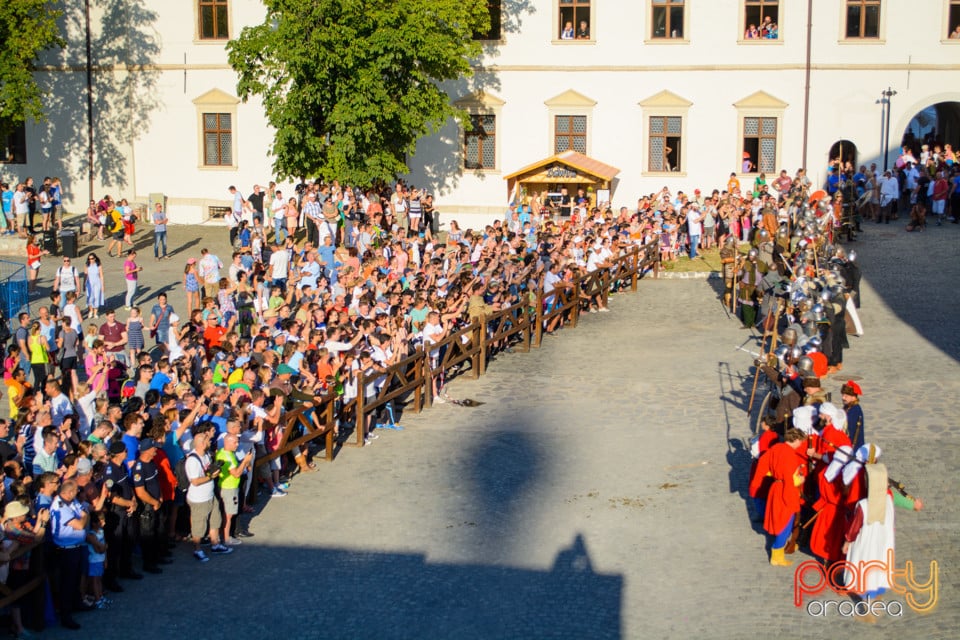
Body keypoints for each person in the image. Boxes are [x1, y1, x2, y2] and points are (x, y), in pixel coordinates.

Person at [749, 428, 806, 566]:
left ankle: (779, 551)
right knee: (785, 523)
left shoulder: (776, 448)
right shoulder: (790, 455)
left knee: (780, 520)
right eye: (800, 441)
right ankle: (777, 554)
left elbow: (762, 463)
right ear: (796, 440)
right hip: (785, 491)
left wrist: (772, 474)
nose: (801, 444)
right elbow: (790, 479)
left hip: (776, 488)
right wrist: (800, 480)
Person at [185, 422, 234, 562]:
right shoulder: (192, 461)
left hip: (210, 495)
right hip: (199, 498)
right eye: (207, 439)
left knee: (215, 520)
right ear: (200, 443)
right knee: (198, 525)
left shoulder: (205, 455)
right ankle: (197, 549)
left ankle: (215, 544)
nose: (210, 440)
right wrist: (210, 477)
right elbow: (194, 481)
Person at [50, 479, 88, 629]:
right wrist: (84, 517)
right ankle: (66, 616)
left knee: (76, 579)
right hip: (66, 550)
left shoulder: (70, 502)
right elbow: (80, 523)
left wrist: (83, 517)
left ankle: (76, 604)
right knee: (67, 583)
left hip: (76, 547)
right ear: (67, 492)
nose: (77, 493)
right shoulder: (60, 506)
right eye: (75, 491)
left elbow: (84, 513)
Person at [131, 438, 165, 573]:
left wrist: (160, 496)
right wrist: (154, 502)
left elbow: (156, 482)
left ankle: (158, 557)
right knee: (148, 536)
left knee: (158, 531)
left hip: (157, 502)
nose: (156, 450)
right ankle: (149, 563)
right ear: (147, 450)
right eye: (154, 448)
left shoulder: (151, 463)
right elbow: (140, 492)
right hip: (147, 506)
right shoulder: (139, 468)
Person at [85, 253, 105, 319]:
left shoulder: (98, 265)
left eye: (92, 258)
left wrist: (102, 285)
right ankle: (91, 311)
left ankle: (95, 312)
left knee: (97, 297)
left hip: (97, 283)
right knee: (90, 297)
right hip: (89, 283)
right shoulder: (87, 265)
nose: (91, 260)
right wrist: (84, 284)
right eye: (89, 259)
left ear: (95, 258)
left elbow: (101, 276)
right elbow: (86, 275)